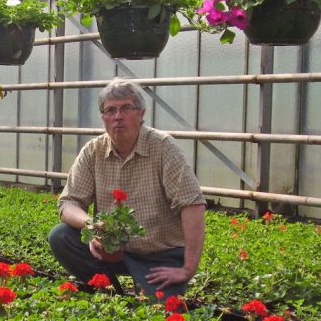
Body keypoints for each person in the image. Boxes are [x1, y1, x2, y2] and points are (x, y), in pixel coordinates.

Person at [47, 77, 206, 301]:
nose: (118, 116)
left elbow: (192, 205)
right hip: (110, 251)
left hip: (159, 255)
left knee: (162, 309)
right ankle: (105, 288)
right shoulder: (93, 150)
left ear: (141, 113)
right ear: (103, 117)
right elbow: (68, 203)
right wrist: (92, 226)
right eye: (110, 110)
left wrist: (188, 269)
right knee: (61, 237)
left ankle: (149, 286)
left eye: (126, 108)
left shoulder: (163, 147)